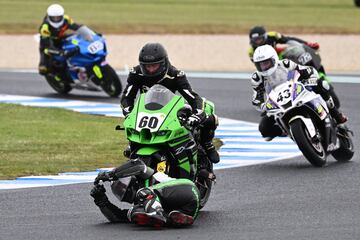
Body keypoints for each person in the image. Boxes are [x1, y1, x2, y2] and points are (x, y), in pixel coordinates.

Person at [120, 42, 220, 164]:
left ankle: (206, 144)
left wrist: (197, 115)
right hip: (146, 110)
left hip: (169, 110)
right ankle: (134, 146)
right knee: (132, 128)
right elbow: (126, 97)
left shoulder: (175, 75)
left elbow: (193, 98)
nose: (150, 70)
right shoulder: (136, 73)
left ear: (163, 63)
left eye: (154, 66)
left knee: (209, 113)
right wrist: (128, 112)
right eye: (147, 66)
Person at [250, 45, 347, 141]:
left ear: (274, 59)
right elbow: (257, 97)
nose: (264, 67)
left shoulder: (285, 64)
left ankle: (337, 115)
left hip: (296, 90)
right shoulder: (256, 78)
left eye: (266, 63)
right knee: (264, 129)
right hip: (277, 102)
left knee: (322, 85)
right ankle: (287, 131)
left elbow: (304, 70)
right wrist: (262, 105)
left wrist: (310, 78)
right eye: (260, 65)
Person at [90, 159, 200, 227]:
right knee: (133, 212)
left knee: (143, 193)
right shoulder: (146, 201)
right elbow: (118, 217)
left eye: (122, 188)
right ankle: (173, 218)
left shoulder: (148, 176)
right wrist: (101, 201)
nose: (123, 193)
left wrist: (111, 175)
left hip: (186, 188)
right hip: (190, 210)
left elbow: (138, 165)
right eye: (119, 193)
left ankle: (156, 215)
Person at [38, 4, 82, 76]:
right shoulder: (44, 28)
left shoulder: (66, 18)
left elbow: (77, 27)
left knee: (77, 39)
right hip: (48, 42)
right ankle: (57, 77)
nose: (56, 20)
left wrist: (91, 33)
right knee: (43, 69)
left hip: (61, 38)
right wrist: (62, 52)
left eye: (58, 17)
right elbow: (48, 47)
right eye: (54, 18)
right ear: (49, 17)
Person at [248, 26, 320, 62]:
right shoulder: (251, 52)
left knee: (294, 51)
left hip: (278, 55)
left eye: (259, 39)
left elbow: (288, 40)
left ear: (265, 36)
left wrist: (306, 44)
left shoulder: (273, 35)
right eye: (255, 40)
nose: (257, 42)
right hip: (268, 65)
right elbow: (260, 67)